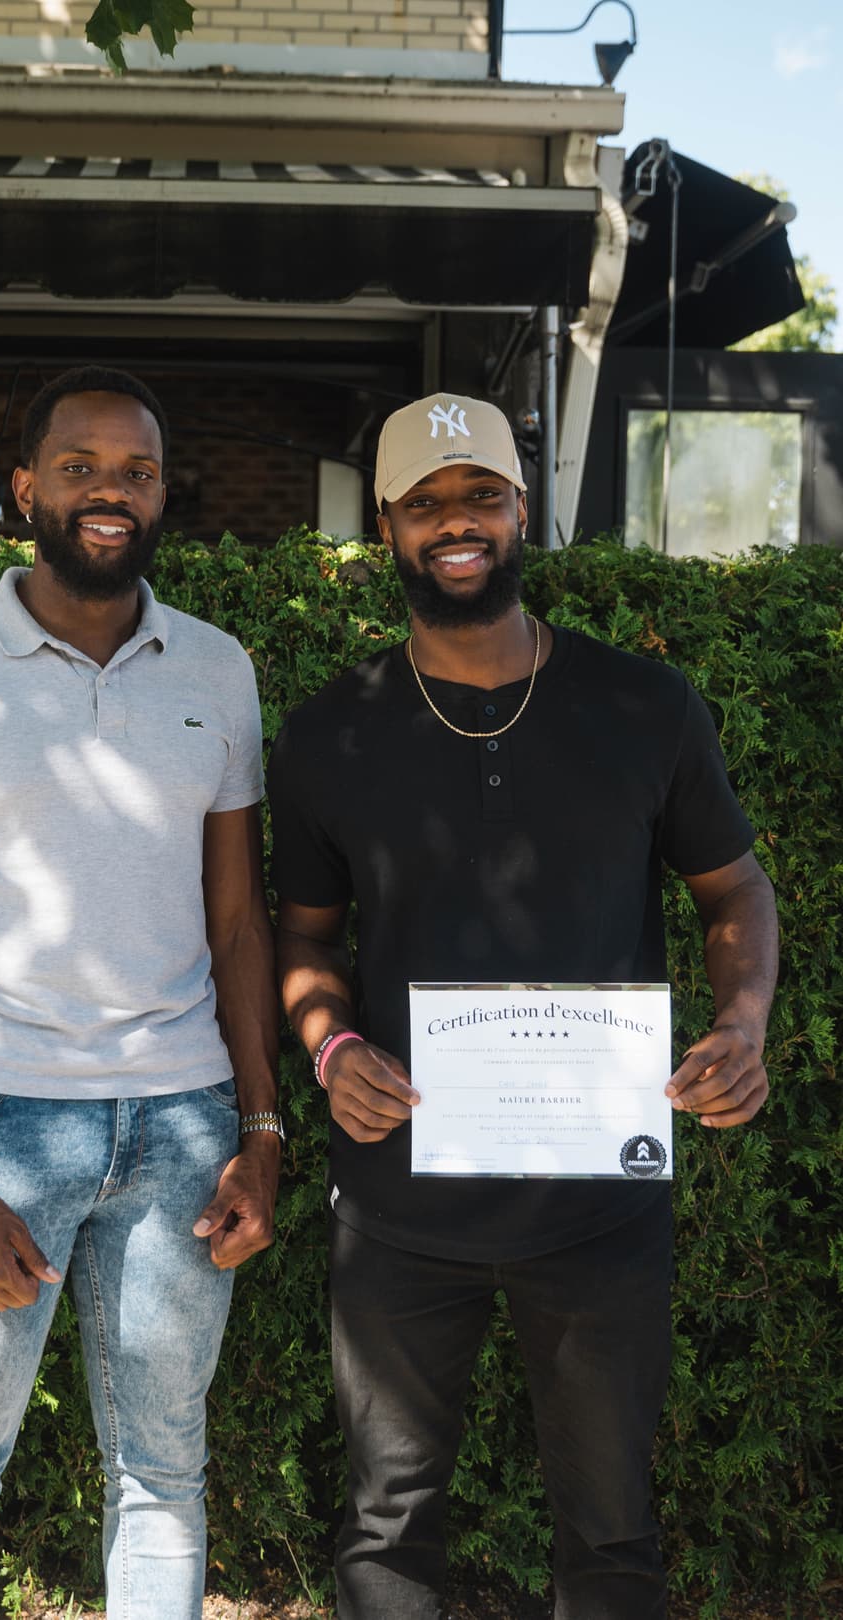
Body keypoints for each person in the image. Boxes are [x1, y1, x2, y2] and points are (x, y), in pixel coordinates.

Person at [268, 392, 778, 1620]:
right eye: (428, 502)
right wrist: (330, 1045)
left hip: (599, 1208)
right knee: (384, 1534)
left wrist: (743, 1021)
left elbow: (735, 888)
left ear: (521, 508)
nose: (459, 523)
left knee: (611, 1539)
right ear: (384, 524)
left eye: (481, 496)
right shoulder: (333, 732)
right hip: (398, 1207)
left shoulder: (645, 705)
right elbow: (304, 937)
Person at [0, 365, 283, 1620]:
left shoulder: (217, 669)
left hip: (185, 1127)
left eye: (135, 471)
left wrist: (260, 1127)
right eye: (80, 467)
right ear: (25, 488)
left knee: (164, 1475)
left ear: (161, 495)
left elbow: (237, 920)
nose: (110, 492)